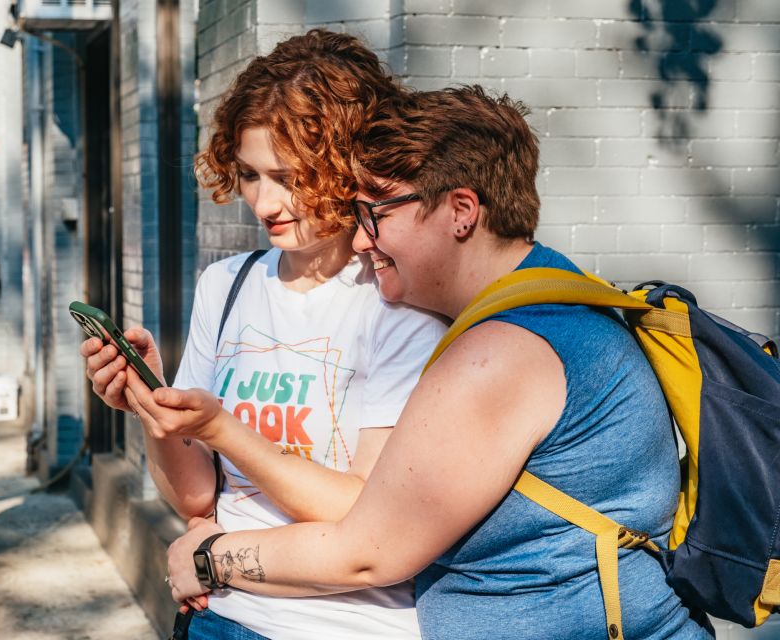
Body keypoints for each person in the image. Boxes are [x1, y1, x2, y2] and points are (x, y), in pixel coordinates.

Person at [154, 87, 715, 639]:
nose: (360, 242)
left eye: (374, 213)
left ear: (461, 212)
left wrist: (208, 559)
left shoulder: (501, 354)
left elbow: (367, 554)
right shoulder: (556, 294)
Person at [82, 29, 445, 640]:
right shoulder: (227, 284)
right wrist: (153, 405)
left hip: (347, 626)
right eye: (250, 175)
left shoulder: (395, 299)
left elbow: (365, 513)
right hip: (222, 611)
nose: (264, 203)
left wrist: (221, 427)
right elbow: (197, 499)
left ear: (345, 165)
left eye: (290, 176)